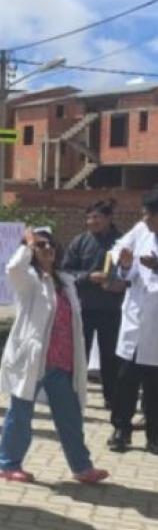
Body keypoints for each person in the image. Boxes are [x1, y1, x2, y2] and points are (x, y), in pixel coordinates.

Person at [0, 227, 109, 484]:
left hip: (62, 362)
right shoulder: (29, 281)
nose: (48, 249)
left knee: (70, 417)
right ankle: (8, 464)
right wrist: (26, 245)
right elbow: (13, 269)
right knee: (20, 414)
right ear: (32, 252)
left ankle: (82, 467)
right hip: (34, 361)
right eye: (41, 246)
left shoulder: (65, 282)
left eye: (50, 245)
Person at [62, 199, 126, 410]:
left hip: (113, 308)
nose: (92, 221)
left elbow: (133, 273)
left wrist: (122, 283)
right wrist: (89, 277)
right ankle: (75, 395)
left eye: (96, 217)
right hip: (84, 308)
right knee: (80, 354)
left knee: (111, 356)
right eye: (89, 217)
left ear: (108, 218)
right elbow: (66, 272)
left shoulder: (122, 243)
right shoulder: (79, 242)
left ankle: (113, 398)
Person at [109, 190, 158, 453]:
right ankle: (121, 429)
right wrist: (125, 263)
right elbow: (119, 250)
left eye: (149, 215)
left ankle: (154, 436)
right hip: (136, 319)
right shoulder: (141, 230)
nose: (145, 219)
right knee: (126, 379)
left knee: (155, 385)